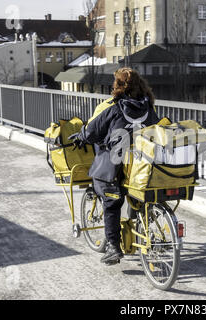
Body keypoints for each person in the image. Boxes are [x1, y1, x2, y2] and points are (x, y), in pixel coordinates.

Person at [70, 67, 159, 264]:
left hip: (117, 164)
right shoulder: (148, 107)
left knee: (111, 201)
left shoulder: (114, 107)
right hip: (142, 164)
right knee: (139, 194)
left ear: (118, 86)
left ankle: (113, 246)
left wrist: (80, 136)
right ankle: (141, 224)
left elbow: (93, 131)